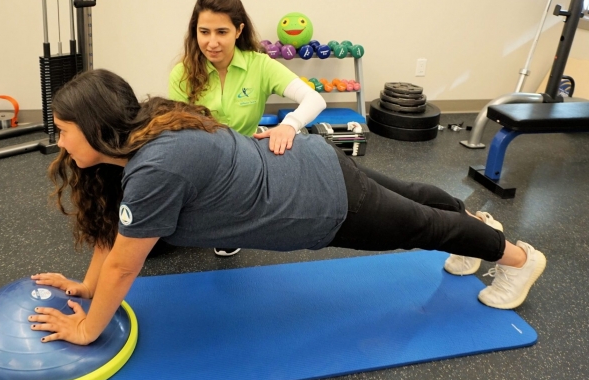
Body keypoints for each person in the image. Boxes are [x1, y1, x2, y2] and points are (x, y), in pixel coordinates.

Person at [29, 69, 546, 346]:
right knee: (415, 197)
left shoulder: (153, 168)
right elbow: (112, 237)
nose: (59, 141)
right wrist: (86, 287)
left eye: (64, 130)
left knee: (425, 226)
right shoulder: (148, 126)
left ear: (98, 129)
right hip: (310, 159)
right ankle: (475, 225)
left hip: (321, 202)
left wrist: (86, 326)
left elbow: (125, 261)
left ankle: (519, 261)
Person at [168, 0, 327, 257]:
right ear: (194, 30)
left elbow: (315, 99)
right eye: (204, 32)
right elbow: (180, 132)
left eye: (222, 32)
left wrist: (289, 126)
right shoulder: (182, 74)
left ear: (238, 31)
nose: (212, 43)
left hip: (245, 161)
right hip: (202, 157)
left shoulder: (260, 65)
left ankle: (232, 220)